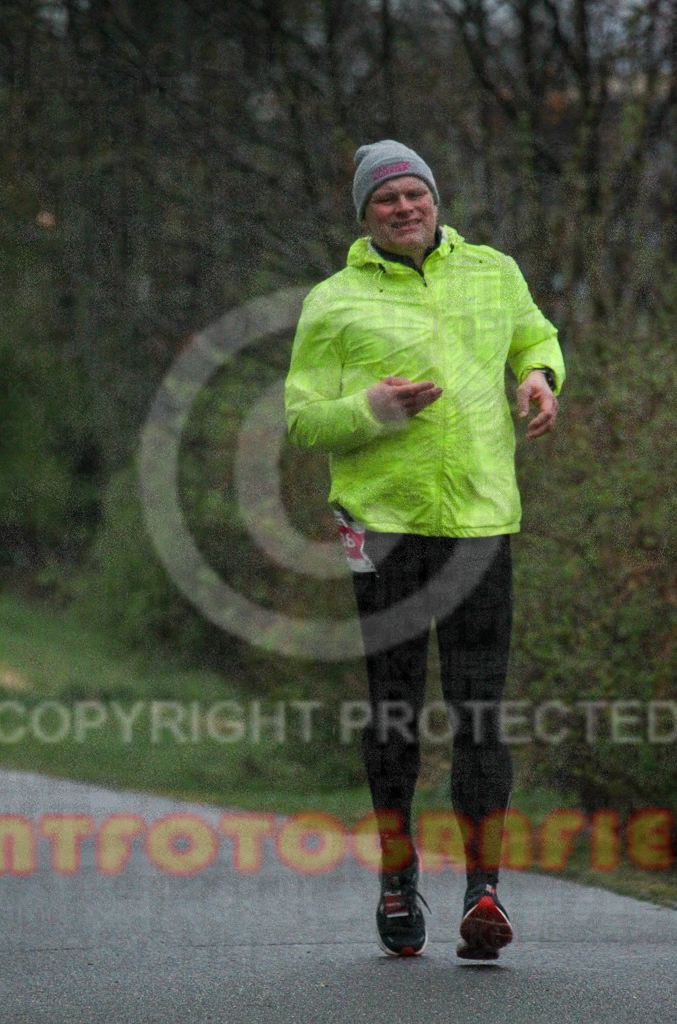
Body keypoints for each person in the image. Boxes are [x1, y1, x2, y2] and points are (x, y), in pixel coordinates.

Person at [284, 140, 565, 959]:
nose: (405, 208)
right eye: (386, 200)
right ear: (364, 216)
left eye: (415, 194)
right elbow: (303, 417)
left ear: (435, 200)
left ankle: (483, 892)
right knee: (396, 708)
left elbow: (535, 337)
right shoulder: (332, 302)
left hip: (480, 523)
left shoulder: (493, 271)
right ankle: (398, 882)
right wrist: (368, 407)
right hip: (382, 527)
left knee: (479, 710)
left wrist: (540, 376)